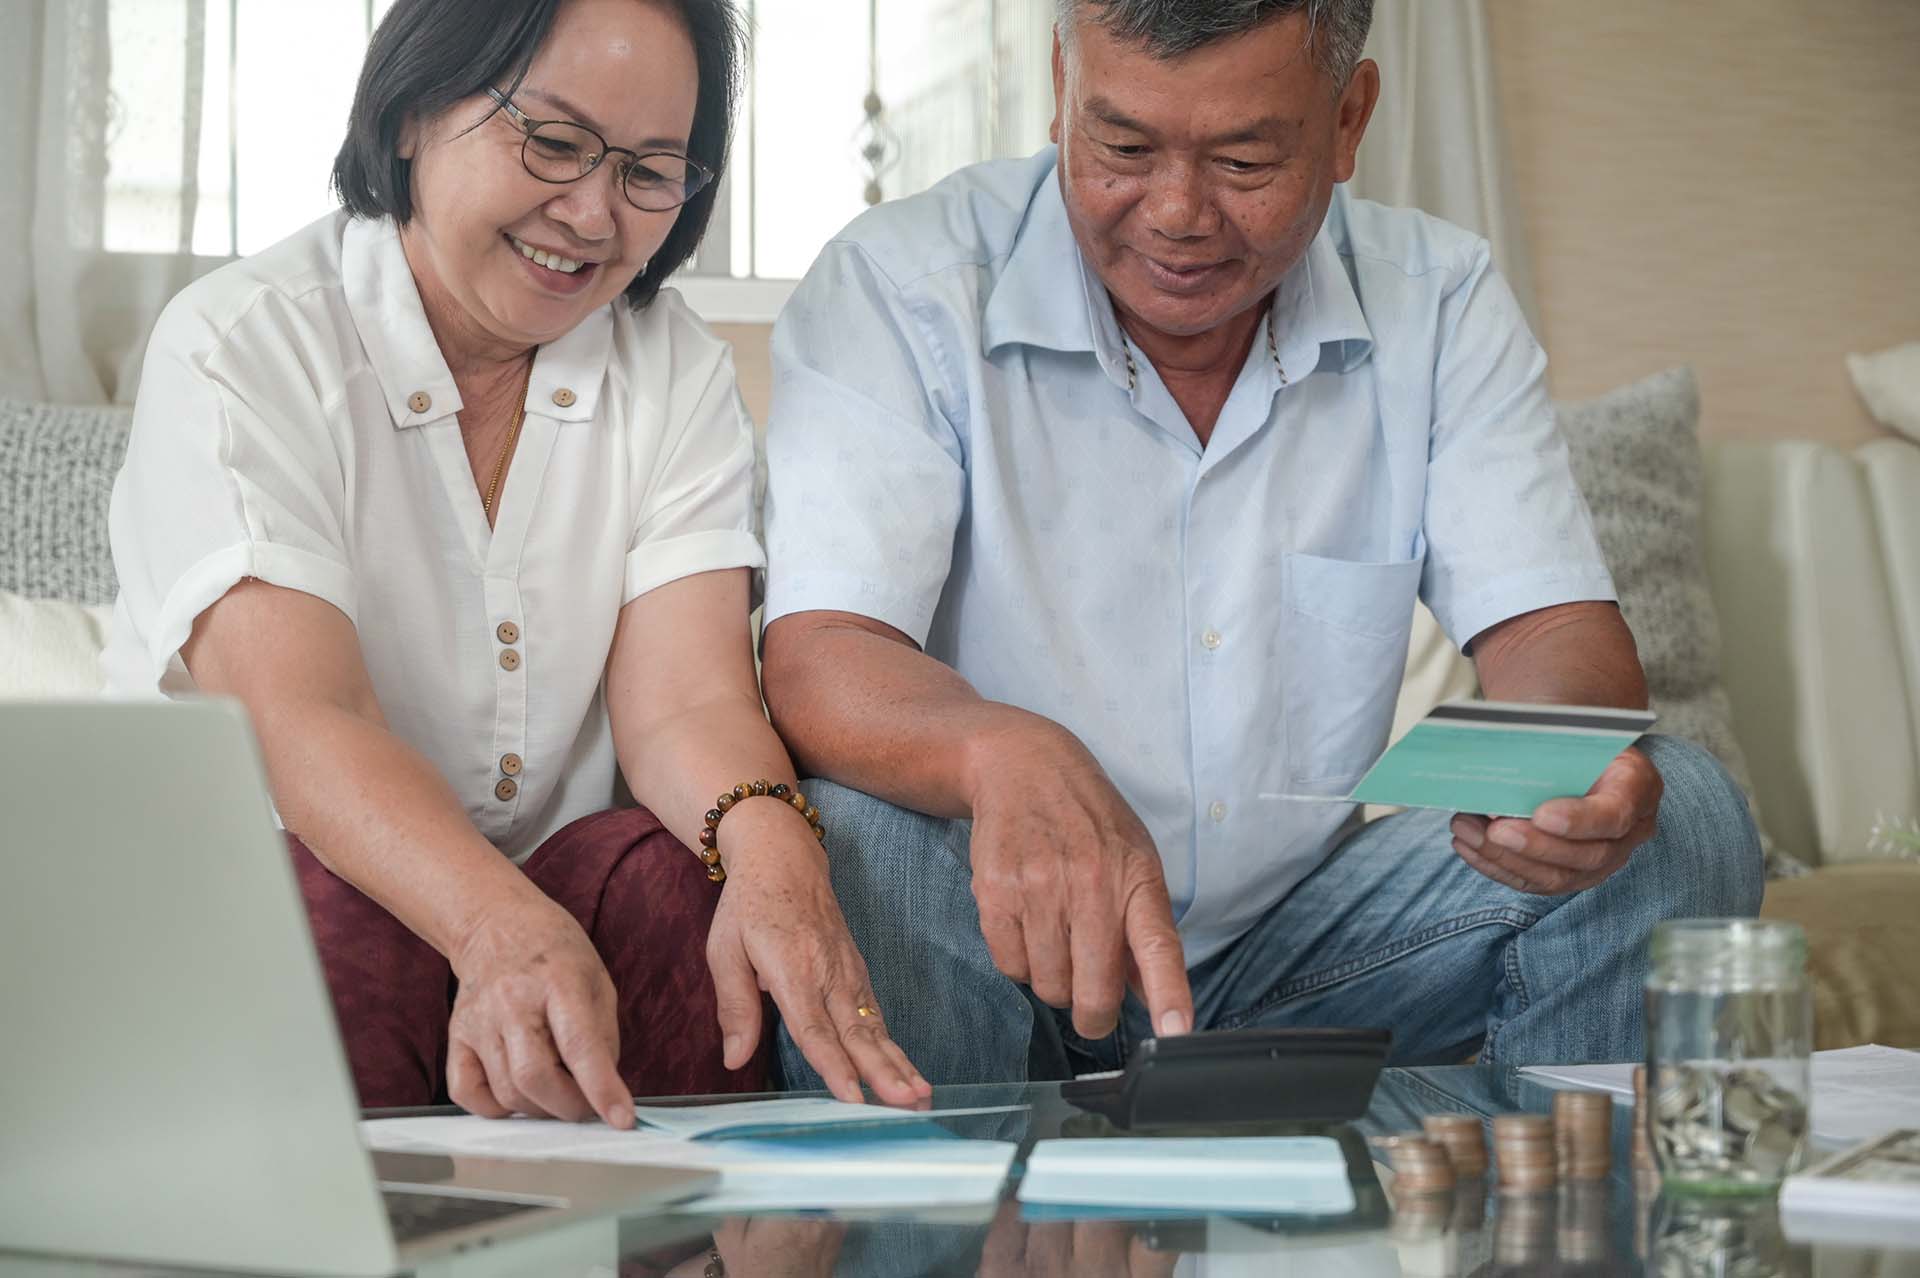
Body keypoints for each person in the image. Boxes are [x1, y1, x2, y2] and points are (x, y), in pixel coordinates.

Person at [758, 0, 1764, 1088]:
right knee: (863, 833)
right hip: (997, 946)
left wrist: (1559, 775)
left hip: (1301, 962)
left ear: (1348, 120)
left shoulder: (1438, 299)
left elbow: (1557, 629)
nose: (1179, 214)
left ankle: (1554, 1240)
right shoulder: (901, 289)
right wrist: (1002, 752)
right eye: (1124, 146)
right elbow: (821, 652)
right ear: (1061, 88)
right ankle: (928, 1242)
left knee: (1681, 807)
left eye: (1244, 160)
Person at [102, 0, 926, 1125]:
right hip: (287, 890)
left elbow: (686, 704)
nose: (590, 214)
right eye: (551, 141)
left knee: (684, 885)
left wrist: (773, 847)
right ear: (409, 114)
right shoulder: (243, 344)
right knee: (338, 930)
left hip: (559, 902)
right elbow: (308, 720)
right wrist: (500, 925)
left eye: (649, 171)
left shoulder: (670, 368)